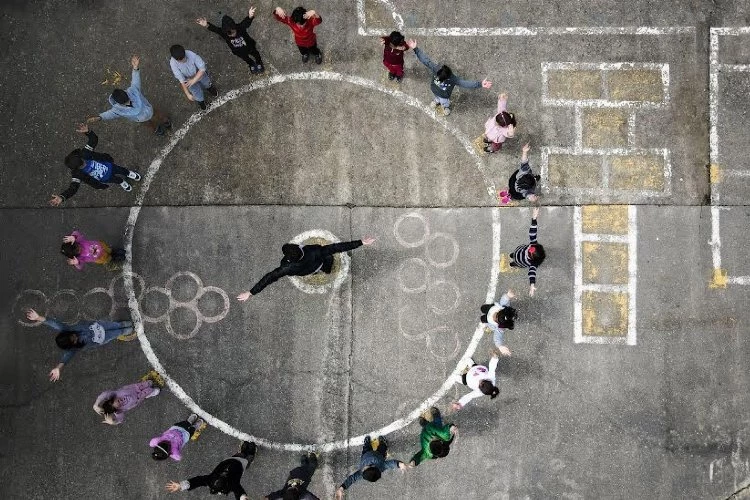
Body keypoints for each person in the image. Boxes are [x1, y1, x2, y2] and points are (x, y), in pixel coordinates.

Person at [236, 236, 376, 300]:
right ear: (299, 248)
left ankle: (323, 270)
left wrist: (251, 292)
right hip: (319, 262)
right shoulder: (315, 251)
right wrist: (361, 242)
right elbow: (337, 247)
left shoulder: (287, 267)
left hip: (307, 271)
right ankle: (327, 270)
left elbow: (270, 277)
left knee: (319, 267)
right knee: (329, 258)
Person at [24, 308, 134, 382]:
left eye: (73, 336)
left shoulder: (66, 329)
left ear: (67, 333)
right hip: (103, 338)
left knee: (115, 325)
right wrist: (58, 368)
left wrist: (38, 317)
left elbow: (54, 323)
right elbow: (65, 358)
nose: (75, 338)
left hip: (101, 326)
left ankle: (127, 324)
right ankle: (130, 329)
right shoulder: (72, 349)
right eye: (74, 341)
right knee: (118, 332)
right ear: (71, 345)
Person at [48, 125, 141, 206]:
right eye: (82, 165)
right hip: (105, 178)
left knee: (121, 170)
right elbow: (73, 188)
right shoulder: (77, 174)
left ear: (80, 157)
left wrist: (88, 132)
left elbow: (93, 140)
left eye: (83, 161)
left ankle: (128, 173)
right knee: (116, 180)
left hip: (110, 166)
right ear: (77, 168)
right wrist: (62, 197)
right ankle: (122, 182)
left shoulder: (85, 153)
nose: (84, 163)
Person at [86, 55, 172, 136]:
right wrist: (135, 68)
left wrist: (99, 117)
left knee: (151, 120)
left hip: (143, 116)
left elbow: (109, 114)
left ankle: (160, 127)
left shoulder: (119, 107)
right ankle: (162, 124)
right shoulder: (131, 93)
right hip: (146, 112)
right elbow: (135, 80)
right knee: (154, 118)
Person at [406, 39, 492, 116]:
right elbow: (425, 61)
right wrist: (416, 49)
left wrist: (480, 84)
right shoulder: (439, 70)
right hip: (437, 92)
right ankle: (439, 102)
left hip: (442, 94)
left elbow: (465, 83)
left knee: (443, 101)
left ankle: (443, 105)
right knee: (438, 98)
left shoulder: (450, 77)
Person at [166, 441, 257, 499]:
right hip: (236, 464)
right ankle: (249, 453)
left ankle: (246, 453)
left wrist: (181, 485)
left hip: (233, 462)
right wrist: (243, 497)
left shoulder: (213, 480)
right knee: (244, 458)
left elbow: (198, 481)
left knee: (243, 458)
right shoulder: (228, 483)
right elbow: (238, 492)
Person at [197, 6, 265, 74]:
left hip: (249, 47)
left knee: (256, 54)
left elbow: (246, 22)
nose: (232, 35)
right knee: (246, 58)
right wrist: (206, 25)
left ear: (235, 27)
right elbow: (215, 29)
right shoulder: (224, 33)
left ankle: (259, 62)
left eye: (233, 32)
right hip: (238, 51)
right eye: (229, 34)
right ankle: (251, 63)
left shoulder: (240, 27)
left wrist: (250, 16)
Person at [335, 435, 407, 499]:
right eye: (364, 469)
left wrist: (342, 488)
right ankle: (382, 442)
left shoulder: (362, 473)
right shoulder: (381, 465)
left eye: (364, 469)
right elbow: (391, 463)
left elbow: (352, 479)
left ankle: (368, 442)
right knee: (382, 448)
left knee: (366, 448)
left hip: (365, 455)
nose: (362, 469)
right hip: (379, 454)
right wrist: (399, 464)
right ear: (373, 466)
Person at [169, 45, 218, 110]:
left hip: (198, 73)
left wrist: (194, 80)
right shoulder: (173, 63)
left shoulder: (191, 54)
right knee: (196, 92)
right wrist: (187, 94)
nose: (183, 60)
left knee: (206, 82)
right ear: (176, 59)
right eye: (181, 60)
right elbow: (181, 80)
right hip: (188, 79)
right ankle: (201, 101)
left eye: (184, 58)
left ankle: (209, 88)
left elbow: (202, 68)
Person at [509, 207, 545, 296]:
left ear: (532, 259)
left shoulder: (533, 264)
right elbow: (533, 232)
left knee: (515, 263)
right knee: (514, 254)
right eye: (531, 248)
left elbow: (532, 273)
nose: (529, 248)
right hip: (518, 251)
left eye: (529, 251)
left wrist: (532, 284)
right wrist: (534, 219)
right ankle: (513, 256)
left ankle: (513, 263)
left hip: (520, 262)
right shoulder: (533, 243)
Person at [93, 380, 160, 425]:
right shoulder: (118, 411)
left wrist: (96, 404)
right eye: (120, 404)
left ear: (112, 399)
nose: (121, 401)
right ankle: (151, 392)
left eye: (119, 400)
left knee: (146, 384)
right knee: (148, 392)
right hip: (139, 397)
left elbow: (104, 394)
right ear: (117, 409)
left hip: (135, 388)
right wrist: (113, 422)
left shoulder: (114, 394)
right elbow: (120, 419)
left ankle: (147, 385)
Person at [60, 230, 125, 271]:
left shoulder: (79, 241)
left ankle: (113, 252)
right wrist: (77, 263)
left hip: (101, 246)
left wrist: (73, 236)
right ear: (74, 255)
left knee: (109, 250)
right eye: (77, 251)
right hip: (100, 258)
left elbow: (76, 232)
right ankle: (114, 258)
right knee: (108, 259)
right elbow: (80, 267)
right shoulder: (79, 258)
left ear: (75, 242)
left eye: (77, 246)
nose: (79, 248)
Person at [479, 289, 517, 356]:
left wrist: (500, 346)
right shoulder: (502, 307)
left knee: (483, 319)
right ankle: (486, 321)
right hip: (491, 309)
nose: (494, 317)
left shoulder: (500, 327)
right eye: (497, 315)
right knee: (483, 308)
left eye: (496, 319)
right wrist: (507, 296)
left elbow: (497, 337)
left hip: (489, 322)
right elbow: (504, 300)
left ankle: (489, 328)